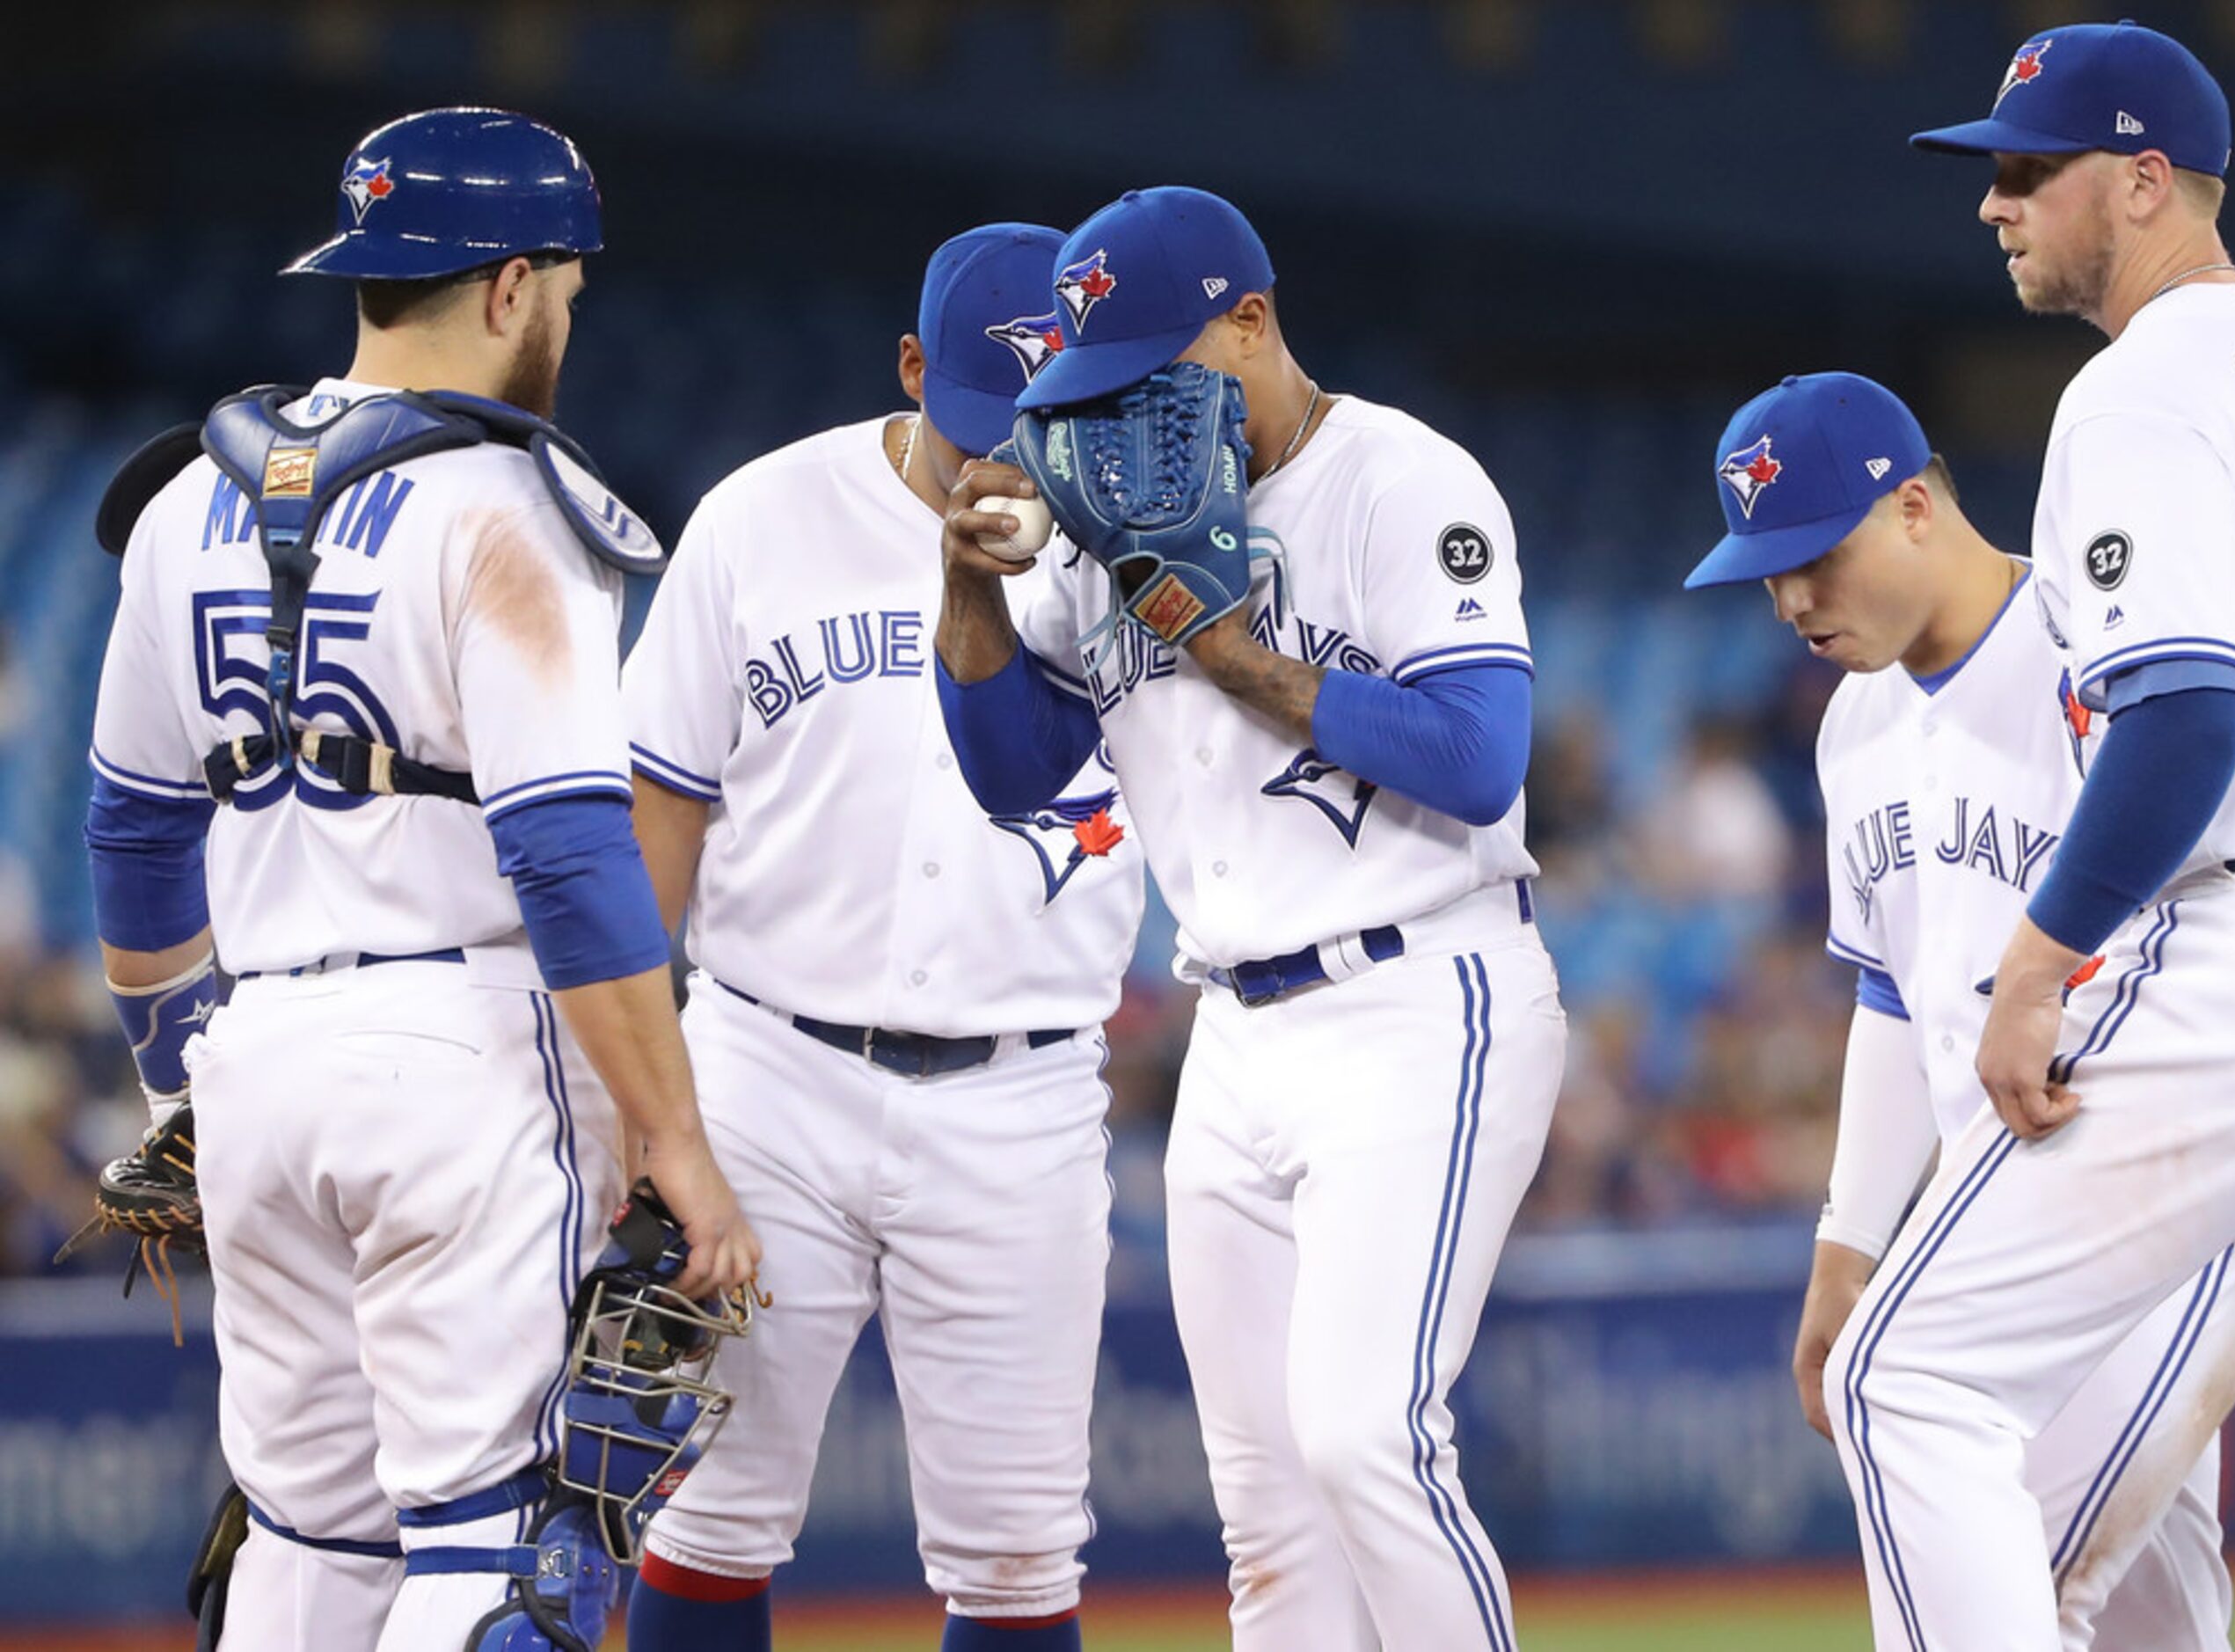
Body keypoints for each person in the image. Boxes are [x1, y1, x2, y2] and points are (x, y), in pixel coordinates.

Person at [83, 107, 757, 1651]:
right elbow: (571, 854)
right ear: (511, 285)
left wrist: (183, 1076)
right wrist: (673, 1135)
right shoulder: (505, 505)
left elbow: (131, 833)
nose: (565, 322)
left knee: (306, 1533)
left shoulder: (185, 500)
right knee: (494, 1543)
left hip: (258, 1060)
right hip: (461, 1059)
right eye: (565, 293)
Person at [936, 186, 1564, 1652]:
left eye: (1159, 367)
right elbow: (1013, 772)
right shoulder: (1106, 523)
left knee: (1366, 1439)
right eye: (1099, 383)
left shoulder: (1403, 480)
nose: (1126, 412)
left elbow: (1482, 759)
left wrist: (1236, 658)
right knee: (1269, 1520)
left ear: (1254, 320)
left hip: (1420, 993)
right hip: (1232, 1028)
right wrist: (966, 591)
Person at [1817, 24, 2235, 1648]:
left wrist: (2037, 962)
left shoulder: (2141, 386)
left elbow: (2183, 715)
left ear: (2148, 180)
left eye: (2031, 170)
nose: (1996, 203)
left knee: (1909, 1370)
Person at [617, 224, 1144, 1652]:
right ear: (913, 370)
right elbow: (654, 815)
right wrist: (638, 1105)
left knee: (1022, 1551)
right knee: (707, 1512)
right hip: (765, 1070)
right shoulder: (759, 518)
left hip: (1022, 1089)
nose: (1007, 466)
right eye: (985, 424)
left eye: (1047, 427)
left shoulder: (1139, 542)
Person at [1689, 369, 2235, 1648]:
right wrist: (1847, 1246)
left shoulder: (2092, 643)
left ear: (1911, 506)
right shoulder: (1851, 728)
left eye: (1814, 557)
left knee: (2004, 1583)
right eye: (1766, 571)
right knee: (2146, 1631)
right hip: (2001, 1216)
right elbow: (1891, 991)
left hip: (2168, 1185)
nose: (1790, 600)